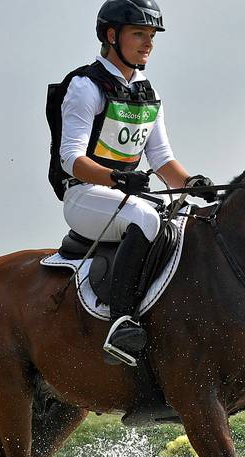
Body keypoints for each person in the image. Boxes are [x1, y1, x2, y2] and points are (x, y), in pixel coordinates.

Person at [50, 0, 214, 367]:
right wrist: (116, 177)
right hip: (84, 196)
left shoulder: (147, 94)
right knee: (145, 217)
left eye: (152, 36)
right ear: (112, 35)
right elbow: (70, 158)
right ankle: (121, 323)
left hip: (125, 196)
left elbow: (162, 160)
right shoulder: (85, 87)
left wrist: (192, 183)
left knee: (189, 220)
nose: (149, 43)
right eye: (140, 34)